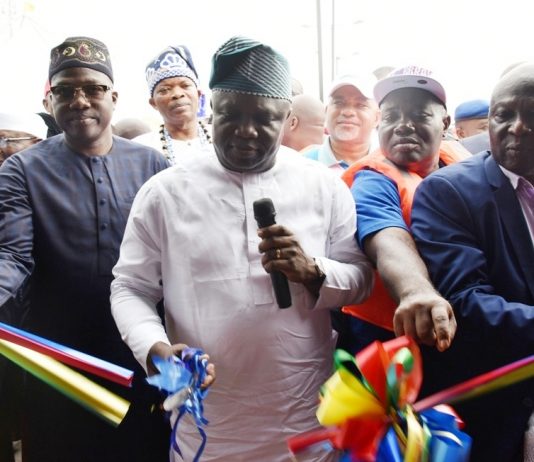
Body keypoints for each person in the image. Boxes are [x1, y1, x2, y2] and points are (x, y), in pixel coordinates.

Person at [110, 35, 373, 462]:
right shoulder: (164, 193)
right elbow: (130, 288)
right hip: (209, 428)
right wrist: (154, 349)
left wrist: (312, 270)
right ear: (211, 109)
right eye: (230, 114)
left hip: (307, 421)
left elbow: (360, 280)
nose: (246, 130)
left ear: (287, 119)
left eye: (264, 118)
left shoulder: (324, 186)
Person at [0, 36, 171, 462]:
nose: (79, 100)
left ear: (113, 96)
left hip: (139, 347)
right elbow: (14, 256)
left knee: (142, 449)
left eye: (93, 88)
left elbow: (176, 255)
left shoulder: (152, 165)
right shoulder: (22, 169)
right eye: (65, 91)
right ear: (49, 100)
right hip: (57, 354)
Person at [411, 62, 534, 462]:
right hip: (495, 417)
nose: (517, 127)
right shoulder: (449, 192)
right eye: (503, 114)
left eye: (531, 115)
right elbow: (465, 302)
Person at [338, 66, 467, 354]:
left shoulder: (465, 165)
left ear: (445, 123)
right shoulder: (372, 180)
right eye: (392, 117)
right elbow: (387, 238)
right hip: (391, 342)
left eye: (419, 115)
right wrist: (415, 291)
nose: (403, 125)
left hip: (464, 329)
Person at [133, 45, 212, 164]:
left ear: (199, 94)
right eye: (165, 90)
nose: (177, 94)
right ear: (153, 103)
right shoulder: (141, 149)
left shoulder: (224, 139)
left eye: (185, 86)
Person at [302, 74, 379, 174]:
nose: (348, 112)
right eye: (339, 103)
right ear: (326, 111)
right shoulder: (303, 166)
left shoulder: (389, 167)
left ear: (377, 118)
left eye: (360, 105)